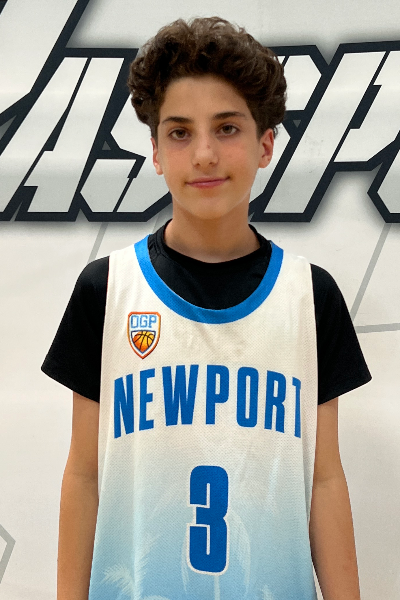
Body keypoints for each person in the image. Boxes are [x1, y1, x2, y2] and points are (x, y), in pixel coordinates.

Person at [42, 16, 371, 600]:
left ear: (265, 145)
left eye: (227, 128)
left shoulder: (309, 296)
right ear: (155, 151)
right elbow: (84, 476)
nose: (204, 154)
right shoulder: (107, 289)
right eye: (179, 132)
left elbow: (323, 479)